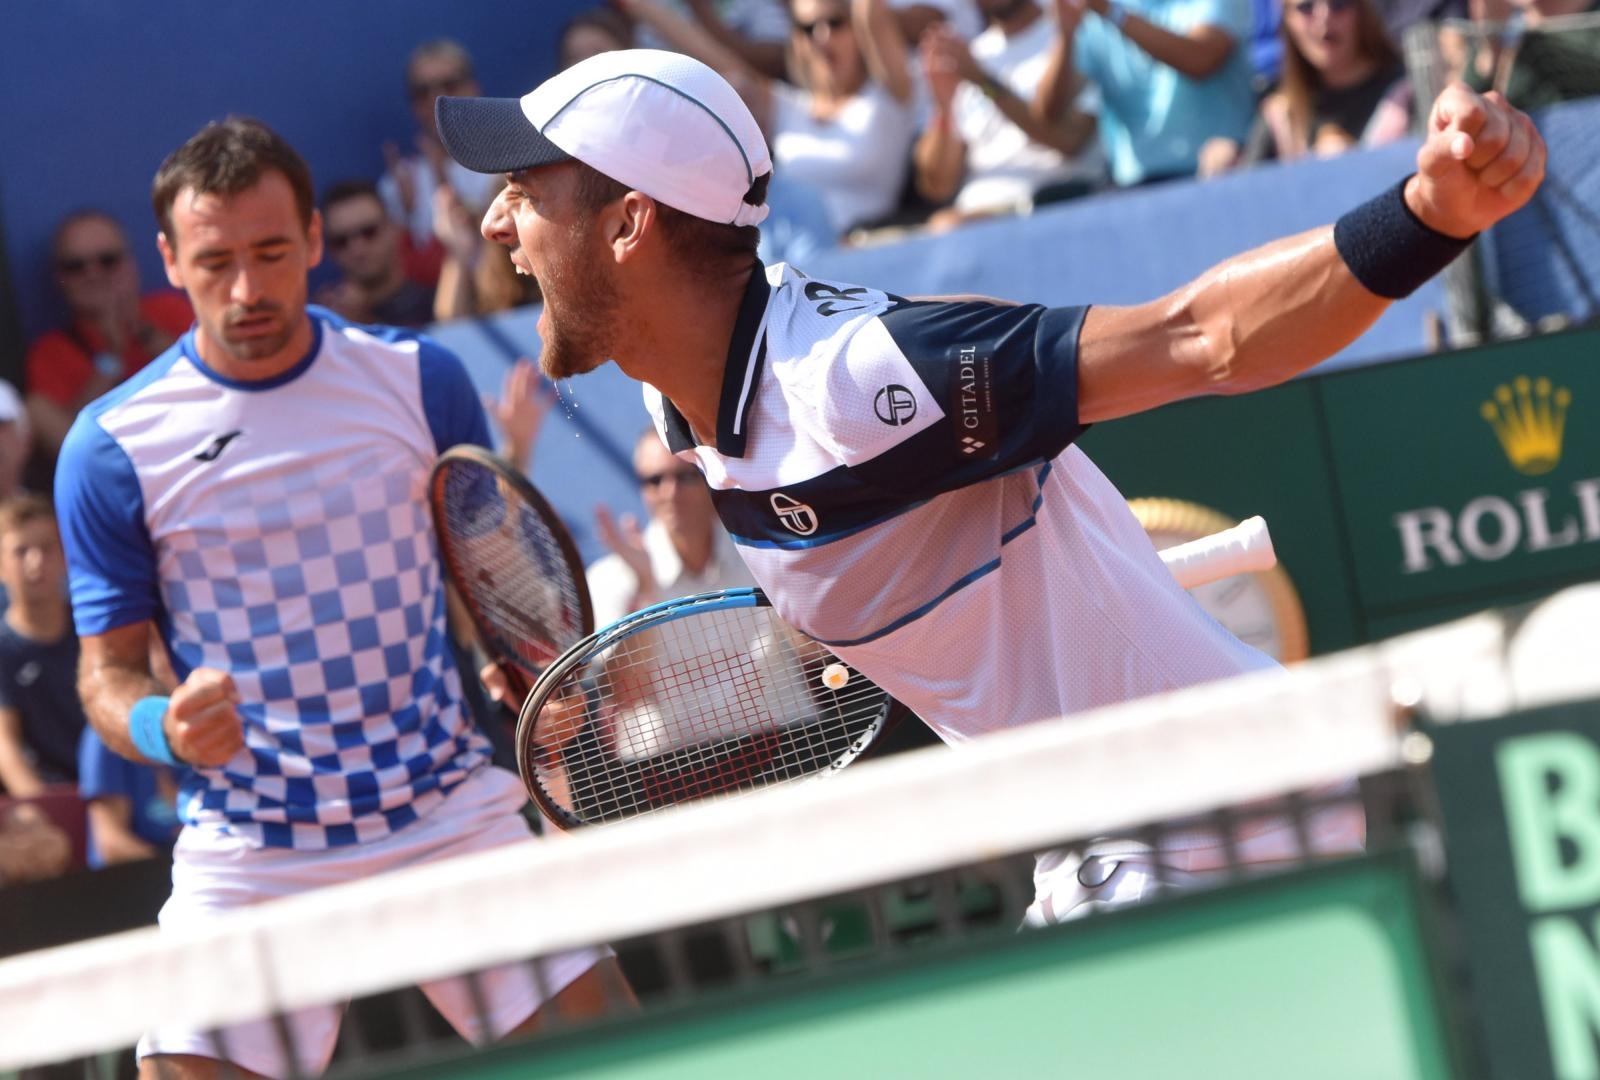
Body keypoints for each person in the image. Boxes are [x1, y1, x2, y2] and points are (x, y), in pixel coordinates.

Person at [436, 49, 1544, 921]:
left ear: (630, 224)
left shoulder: (861, 382)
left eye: (527, 191)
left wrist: (1429, 214)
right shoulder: (681, 406)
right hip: (1122, 829)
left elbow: (1201, 338)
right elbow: (876, 592)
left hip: (1209, 823)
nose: (498, 223)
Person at [54, 118, 625, 1079]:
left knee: (630, 1060)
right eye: (215, 261)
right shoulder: (108, 448)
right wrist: (165, 727)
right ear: (168, 261)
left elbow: (474, 570)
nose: (246, 289)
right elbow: (105, 678)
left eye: (272, 253)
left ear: (314, 240)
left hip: (446, 814)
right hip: (253, 850)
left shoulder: (419, 380)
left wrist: (511, 655)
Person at [620, 0, 923, 238]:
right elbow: (718, 62)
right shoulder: (790, 107)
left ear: (858, 29)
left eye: (835, 22)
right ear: (798, 41)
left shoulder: (890, 95)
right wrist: (639, 6)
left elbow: (876, 17)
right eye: (807, 28)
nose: (822, 36)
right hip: (794, 258)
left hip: (874, 249)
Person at [24, 211, 192, 476]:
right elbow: (69, 445)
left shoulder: (170, 310)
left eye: (108, 261)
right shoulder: (50, 351)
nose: (93, 274)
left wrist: (142, 331)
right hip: (122, 471)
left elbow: (214, 375)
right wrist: (110, 359)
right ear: (60, 278)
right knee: (36, 408)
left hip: (192, 445)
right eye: (75, 266)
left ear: (130, 265)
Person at [914, 0, 1105, 228]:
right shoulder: (970, 54)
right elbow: (938, 185)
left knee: (948, 226)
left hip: (1052, 209)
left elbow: (1069, 141)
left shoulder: (1071, 32)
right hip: (972, 216)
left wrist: (985, 83)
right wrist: (943, 108)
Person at [1036, 0, 1259, 186]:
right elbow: (1050, 114)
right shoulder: (1096, 12)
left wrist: (1112, 12)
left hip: (1221, 174)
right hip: (1134, 189)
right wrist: (1066, 37)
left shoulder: (1104, 8)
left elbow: (1199, 60)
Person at [1199, 0, 1411, 176]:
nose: (1324, 18)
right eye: (1305, 7)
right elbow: (1249, 198)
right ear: (1286, 19)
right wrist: (1227, 171)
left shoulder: (1408, 92)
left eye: (1339, 4)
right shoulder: (1280, 113)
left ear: (1362, 12)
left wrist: (1356, 166)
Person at [589, 430, 757, 625]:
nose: (670, 492)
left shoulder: (761, 552)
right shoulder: (608, 579)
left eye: (685, 477)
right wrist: (647, 589)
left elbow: (801, 648)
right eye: (654, 480)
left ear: (711, 478)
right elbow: (618, 658)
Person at [380, 39, 504, 284]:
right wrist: (402, 219)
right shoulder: (398, 184)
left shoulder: (510, 162)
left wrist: (442, 184)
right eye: (422, 92)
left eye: (449, 85)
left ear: (473, 88)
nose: (436, 100)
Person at [0, 495, 87, 796]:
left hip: (125, 793)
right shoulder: (4, 649)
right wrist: (45, 809)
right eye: (21, 551)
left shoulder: (94, 628)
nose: (36, 562)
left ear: (65, 556)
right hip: (54, 800)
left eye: (47, 548)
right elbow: (5, 744)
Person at [315, 180, 438, 328]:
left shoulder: (436, 303)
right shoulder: (323, 320)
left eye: (369, 232)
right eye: (341, 241)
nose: (357, 249)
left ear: (394, 229)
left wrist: (363, 323)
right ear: (329, 250)